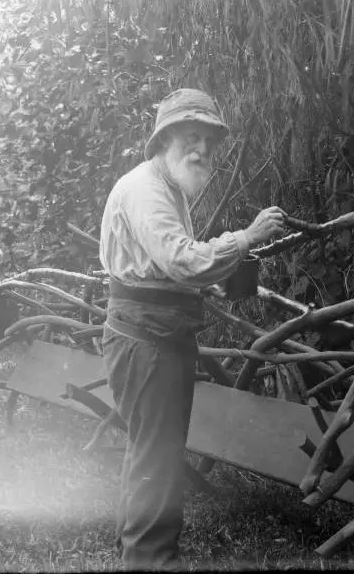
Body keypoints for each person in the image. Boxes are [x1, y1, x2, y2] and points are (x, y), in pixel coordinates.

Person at [99, 88, 287, 570]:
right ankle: (152, 561)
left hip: (156, 337)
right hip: (147, 343)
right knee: (157, 463)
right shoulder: (146, 189)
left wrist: (222, 280)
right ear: (164, 140)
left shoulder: (168, 189)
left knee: (151, 457)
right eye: (190, 137)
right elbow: (181, 261)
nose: (202, 149)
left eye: (208, 140)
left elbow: (162, 271)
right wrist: (244, 239)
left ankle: (139, 555)